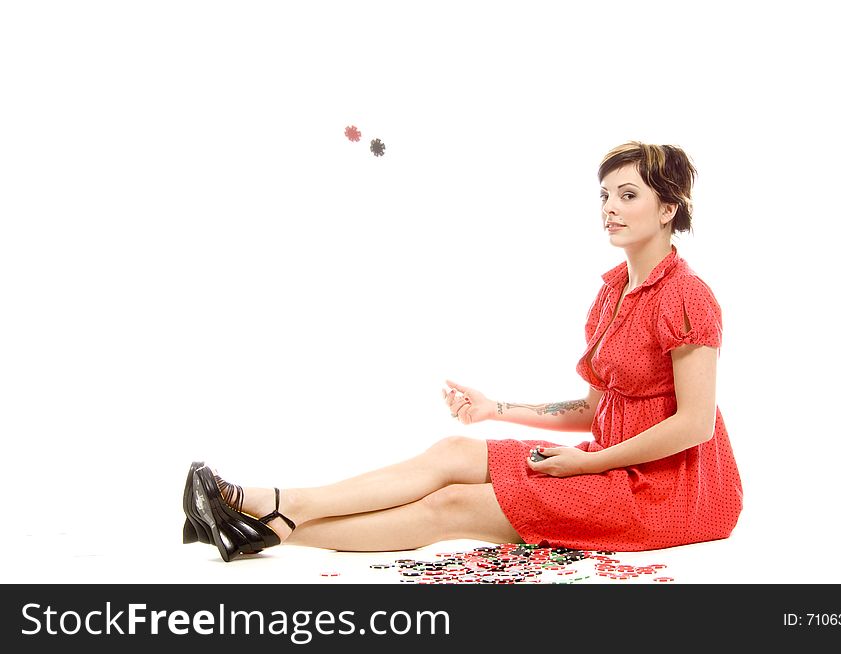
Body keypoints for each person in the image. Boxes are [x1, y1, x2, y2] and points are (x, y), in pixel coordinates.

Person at [182, 140, 743, 562]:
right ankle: (276, 508)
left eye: (628, 195)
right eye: (604, 195)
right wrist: (496, 410)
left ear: (669, 209)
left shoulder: (688, 297)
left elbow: (693, 425)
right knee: (454, 449)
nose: (609, 208)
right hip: (612, 463)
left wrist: (589, 463)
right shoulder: (611, 293)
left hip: (672, 494)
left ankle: (266, 518)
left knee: (452, 505)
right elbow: (598, 411)